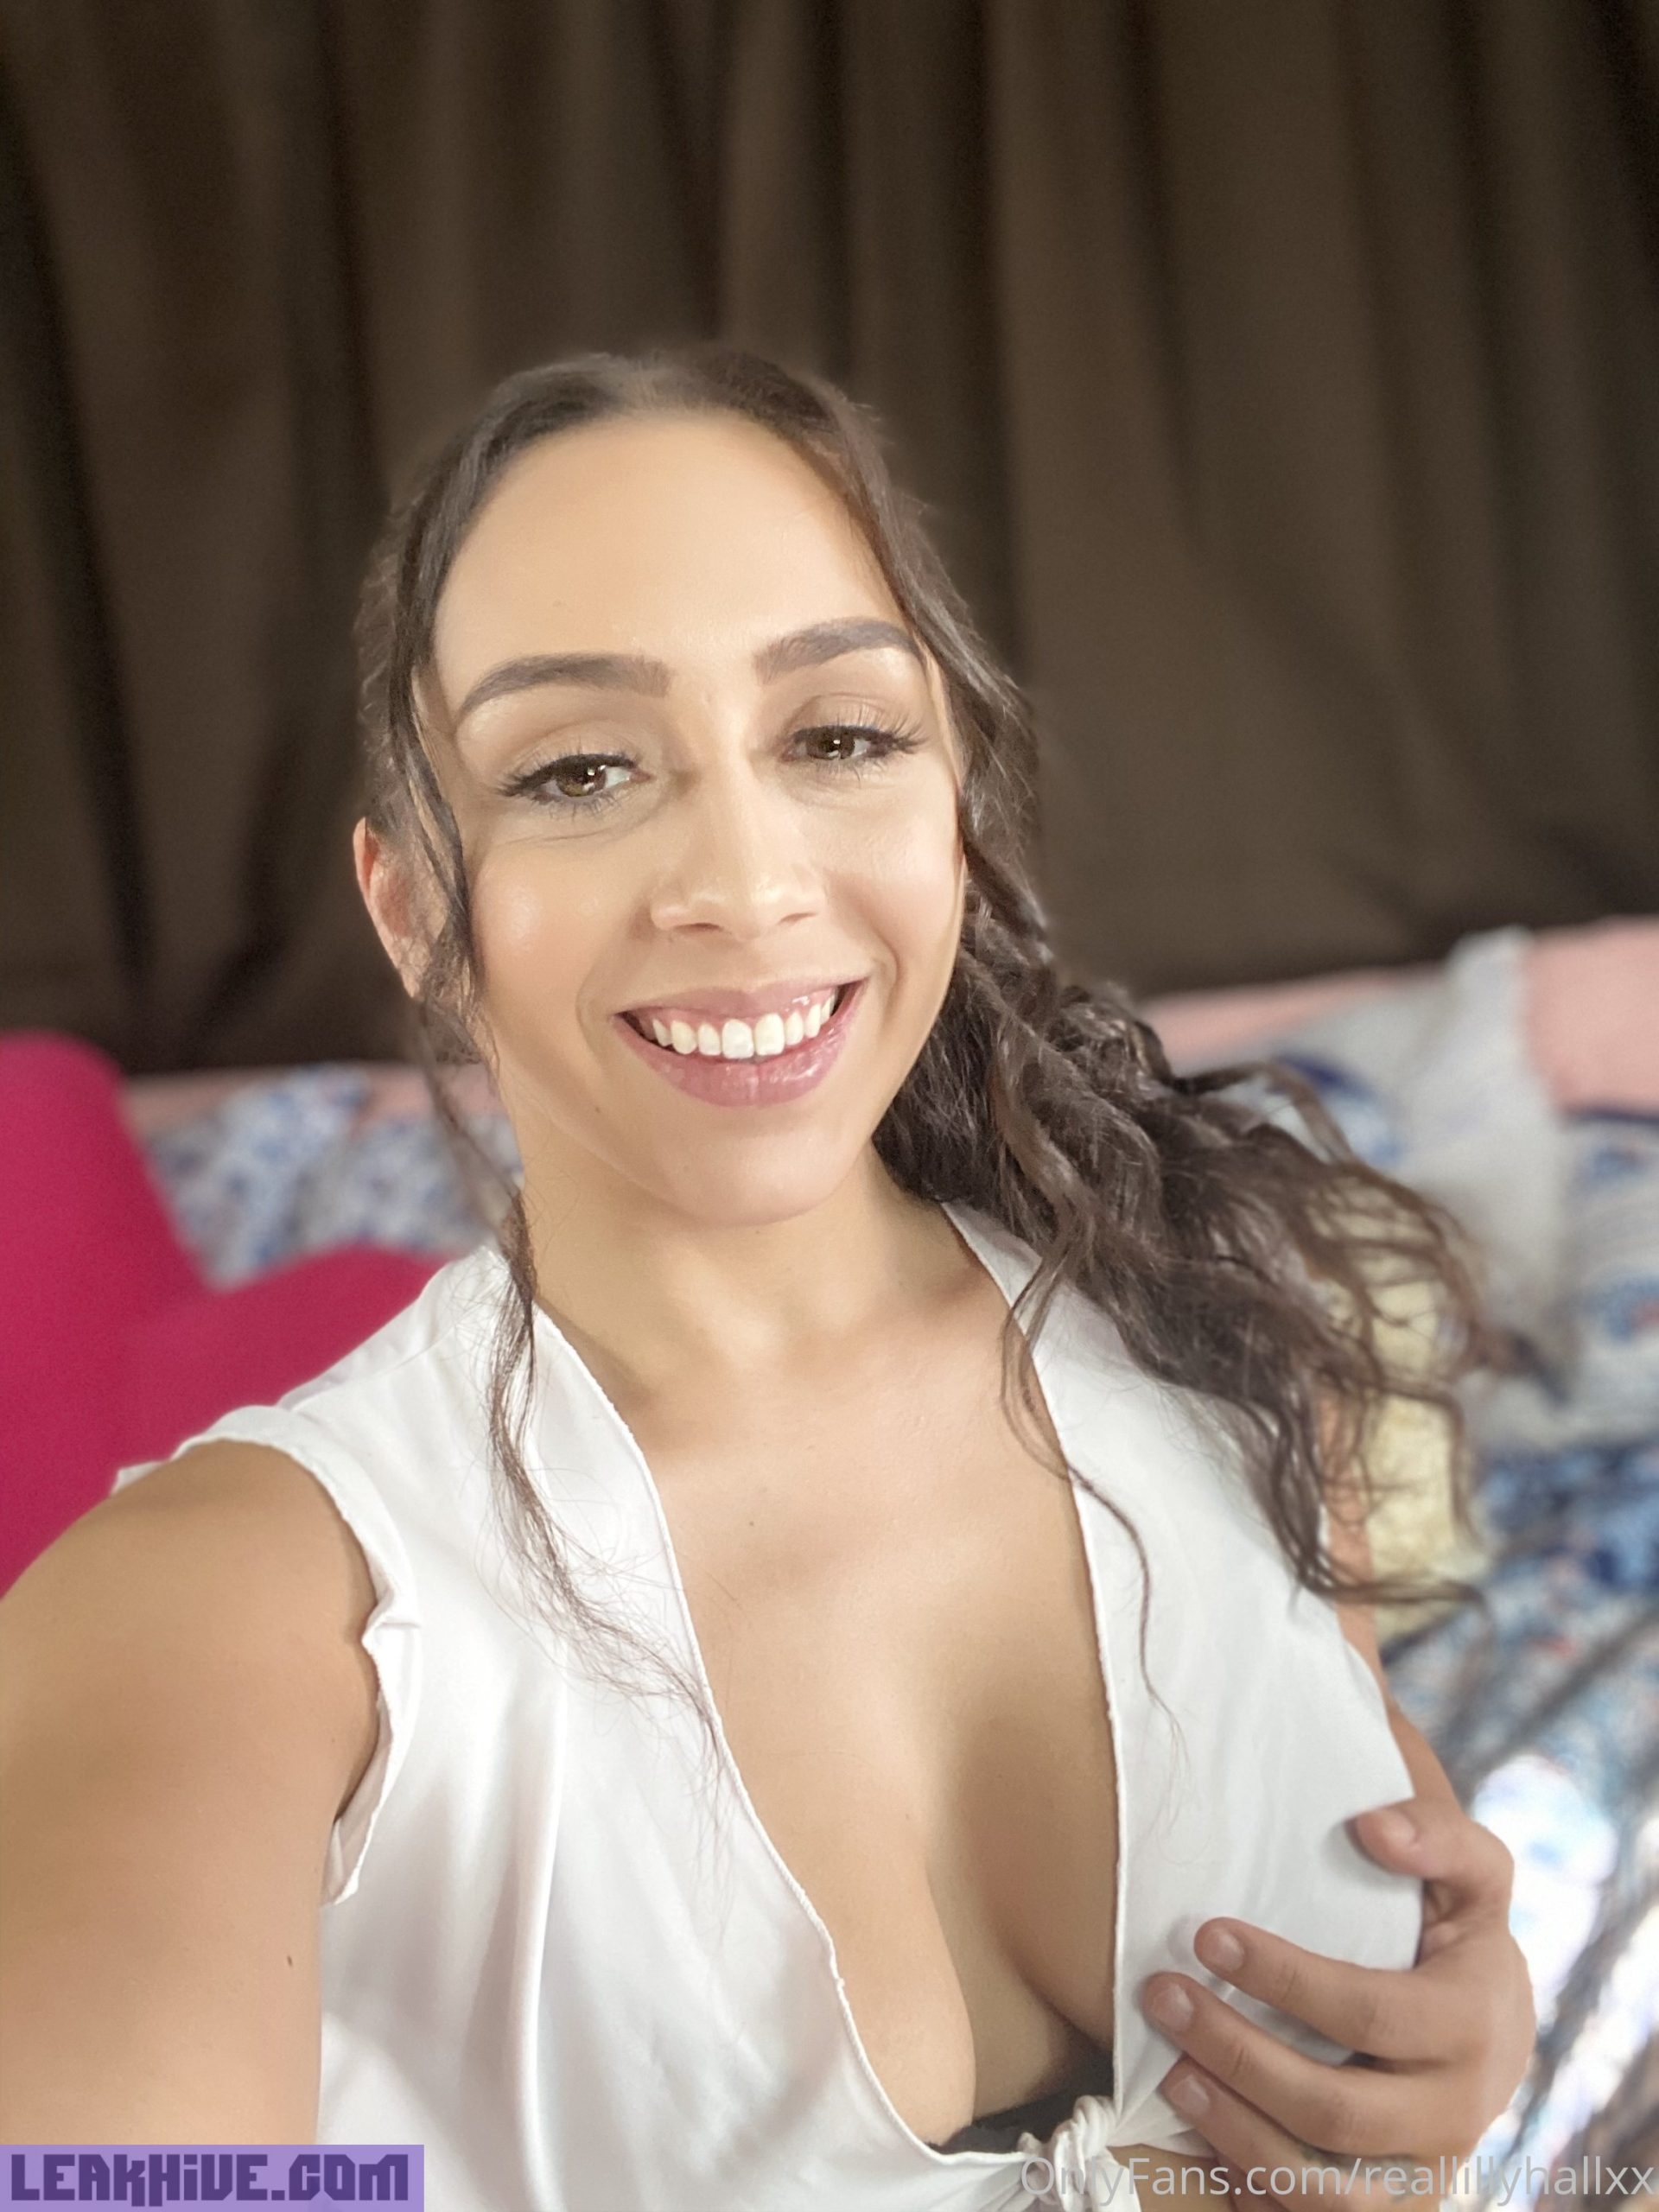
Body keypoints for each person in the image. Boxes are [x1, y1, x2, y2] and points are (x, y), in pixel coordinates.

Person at [0, 346, 1535, 2208]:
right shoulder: (216, 1615)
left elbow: (1392, 1939)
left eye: (838, 737)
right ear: (414, 908)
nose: (743, 879)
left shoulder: (1224, 1333)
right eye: (579, 769)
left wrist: (1460, 2053)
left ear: (953, 802)